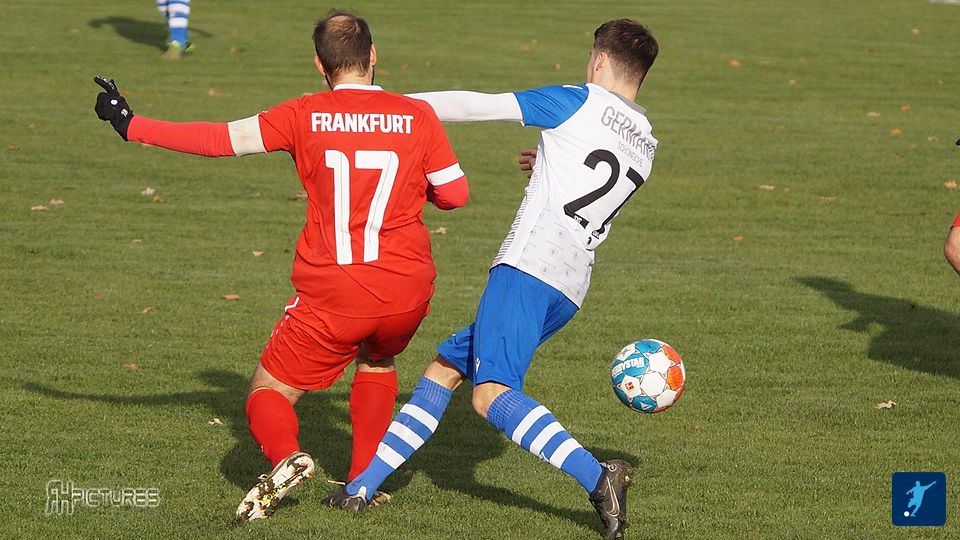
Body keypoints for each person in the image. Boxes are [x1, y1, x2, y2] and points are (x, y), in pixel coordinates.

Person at [93, 10, 469, 522]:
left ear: (320, 64)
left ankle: (287, 456)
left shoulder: (303, 114)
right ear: (373, 55)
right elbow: (455, 195)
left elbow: (218, 139)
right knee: (378, 361)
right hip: (407, 291)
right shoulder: (417, 115)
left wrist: (130, 124)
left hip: (336, 292)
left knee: (268, 391)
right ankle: (363, 481)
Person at [323, 18, 659, 540]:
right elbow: (596, 178)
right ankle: (361, 487)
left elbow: (480, 104)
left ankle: (599, 477)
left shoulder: (578, 101)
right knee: (443, 370)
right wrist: (550, 160)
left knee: (490, 395)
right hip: (570, 284)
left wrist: (387, 107)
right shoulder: (645, 139)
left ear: (599, 60)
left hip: (528, 270)